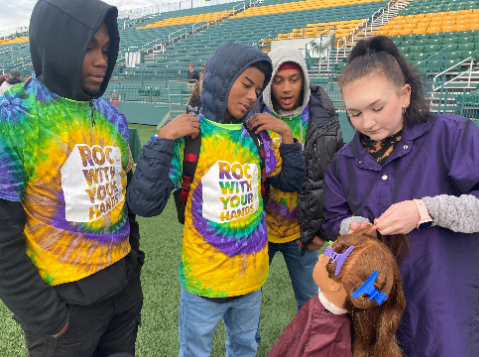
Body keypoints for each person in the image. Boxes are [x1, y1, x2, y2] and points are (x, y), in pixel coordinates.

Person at [322, 35, 479, 357]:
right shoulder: (343, 163)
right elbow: (332, 220)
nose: (368, 122)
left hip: (444, 314)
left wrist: (426, 210)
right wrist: (351, 227)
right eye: (354, 113)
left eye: (377, 107)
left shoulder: (451, 136)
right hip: (375, 312)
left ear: (405, 95)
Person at [126, 42, 305, 357]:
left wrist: (286, 137)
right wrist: (162, 140)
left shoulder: (256, 136)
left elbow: (290, 181)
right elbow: (145, 204)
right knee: (195, 352)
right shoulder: (189, 137)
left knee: (244, 348)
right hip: (204, 284)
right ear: (221, 79)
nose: (252, 96)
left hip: (251, 279)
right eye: (246, 84)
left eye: (258, 89)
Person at [0, 0, 144, 356]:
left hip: (122, 296)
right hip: (65, 315)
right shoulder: (14, 119)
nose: (102, 60)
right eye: (89, 47)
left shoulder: (112, 116)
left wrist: (133, 268)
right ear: (57, 43)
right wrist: (50, 319)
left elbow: (123, 203)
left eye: (107, 49)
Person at [247, 46, 343, 312]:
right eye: (278, 80)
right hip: (258, 232)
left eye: (293, 79)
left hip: (302, 233)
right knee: (245, 305)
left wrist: (321, 231)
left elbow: (334, 177)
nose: (287, 88)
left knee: (313, 306)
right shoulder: (251, 117)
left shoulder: (322, 118)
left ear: (304, 81)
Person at [267, 225, 407, 357]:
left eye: (324, 259)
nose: (320, 257)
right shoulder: (327, 310)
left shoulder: (326, 338)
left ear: (334, 285)